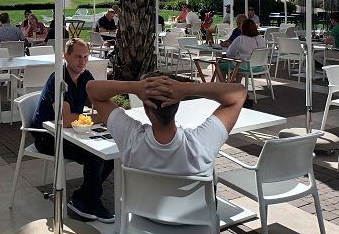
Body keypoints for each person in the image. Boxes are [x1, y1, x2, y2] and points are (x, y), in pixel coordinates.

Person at [86, 73, 246, 178]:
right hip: (197, 226)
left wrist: (135, 87)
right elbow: (239, 93)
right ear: (177, 104)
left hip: (143, 224)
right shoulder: (201, 143)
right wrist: (185, 88)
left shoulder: (130, 138)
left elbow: (92, 89)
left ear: (147, 108)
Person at [31, 38, 114, 223]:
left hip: (70, 133)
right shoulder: (58, 80)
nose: (82, 61)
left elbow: (99, 101)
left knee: (112, 153)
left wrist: (114, 112)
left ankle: (83, 197)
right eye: (78, 56)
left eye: (86, 57)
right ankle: (90, 201)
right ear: (66, 56)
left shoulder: (85, 76)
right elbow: (67, 120)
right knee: (97, 155)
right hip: (48, 136)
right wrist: (101, 118)